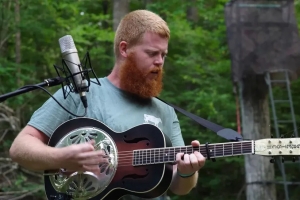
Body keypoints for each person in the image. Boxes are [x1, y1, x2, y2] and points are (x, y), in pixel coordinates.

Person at [9, 9, 206, 200]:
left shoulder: (166, 111)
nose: (159, 62)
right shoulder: (82, 92)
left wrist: (187, 172)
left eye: (163, 55)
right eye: (152, 53)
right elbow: (20, 148)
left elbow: (179, 188)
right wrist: (61, 157)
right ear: (124, 49)